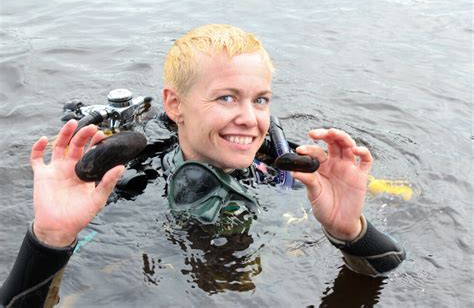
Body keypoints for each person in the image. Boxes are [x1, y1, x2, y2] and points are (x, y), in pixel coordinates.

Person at [0, 24, 405, 307]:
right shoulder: (126, 188)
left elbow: (387, 272)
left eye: (260, 99)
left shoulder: (286, 177)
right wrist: (51, 238)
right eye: (226, 97)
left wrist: (349, 231)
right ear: (175, 105)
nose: (250, 118)